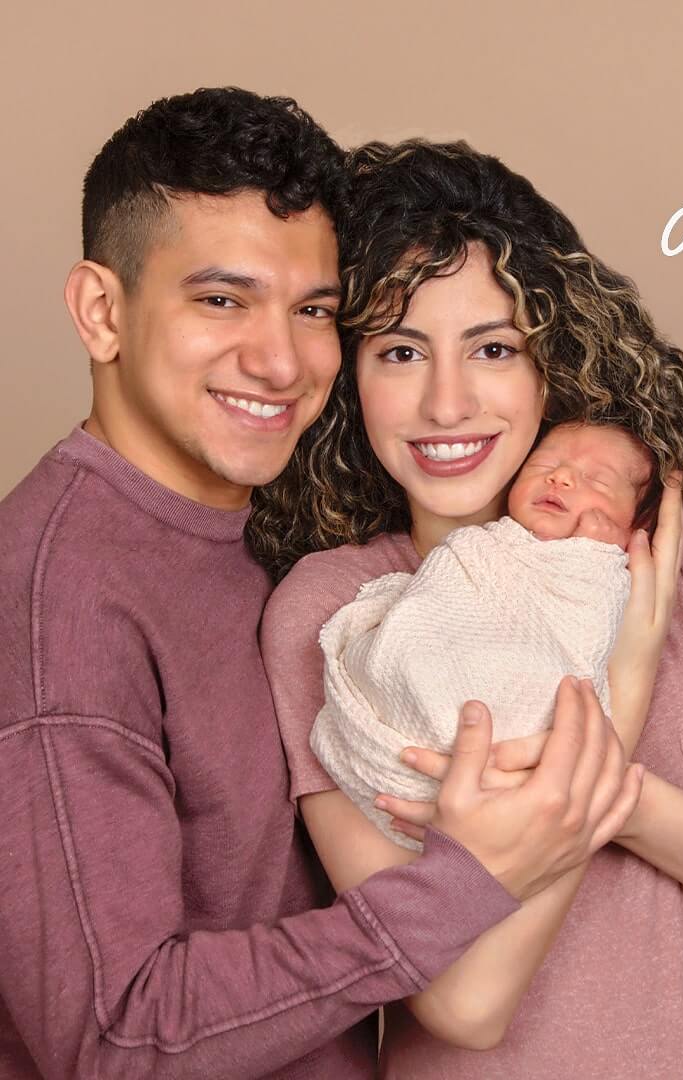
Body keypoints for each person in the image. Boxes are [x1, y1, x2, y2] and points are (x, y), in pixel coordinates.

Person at [0, 91, 642, 1080]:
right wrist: (464, 885)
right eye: (221, 299)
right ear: (102, 311)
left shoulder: (274, 537)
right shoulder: (59, 607)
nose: (279, 358)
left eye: (313, 311)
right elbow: (115, 1038)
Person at [252, 139, 683, 1078]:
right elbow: (462, 1002)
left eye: (494, 348)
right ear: (348, 377)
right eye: (400, 351)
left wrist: (609, 802)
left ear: (555, 356)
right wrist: (619, 699)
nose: (448, 401)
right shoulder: (343, 617)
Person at [311, 421, 658, 847]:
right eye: (545, 463)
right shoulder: (483, 547)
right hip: (421, 688)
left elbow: (582, 629)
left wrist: (595, 557)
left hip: (514, 728)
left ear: (635, 525)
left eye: (596, 480)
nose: (560, 477)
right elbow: (435, 602)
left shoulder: (603, 571)